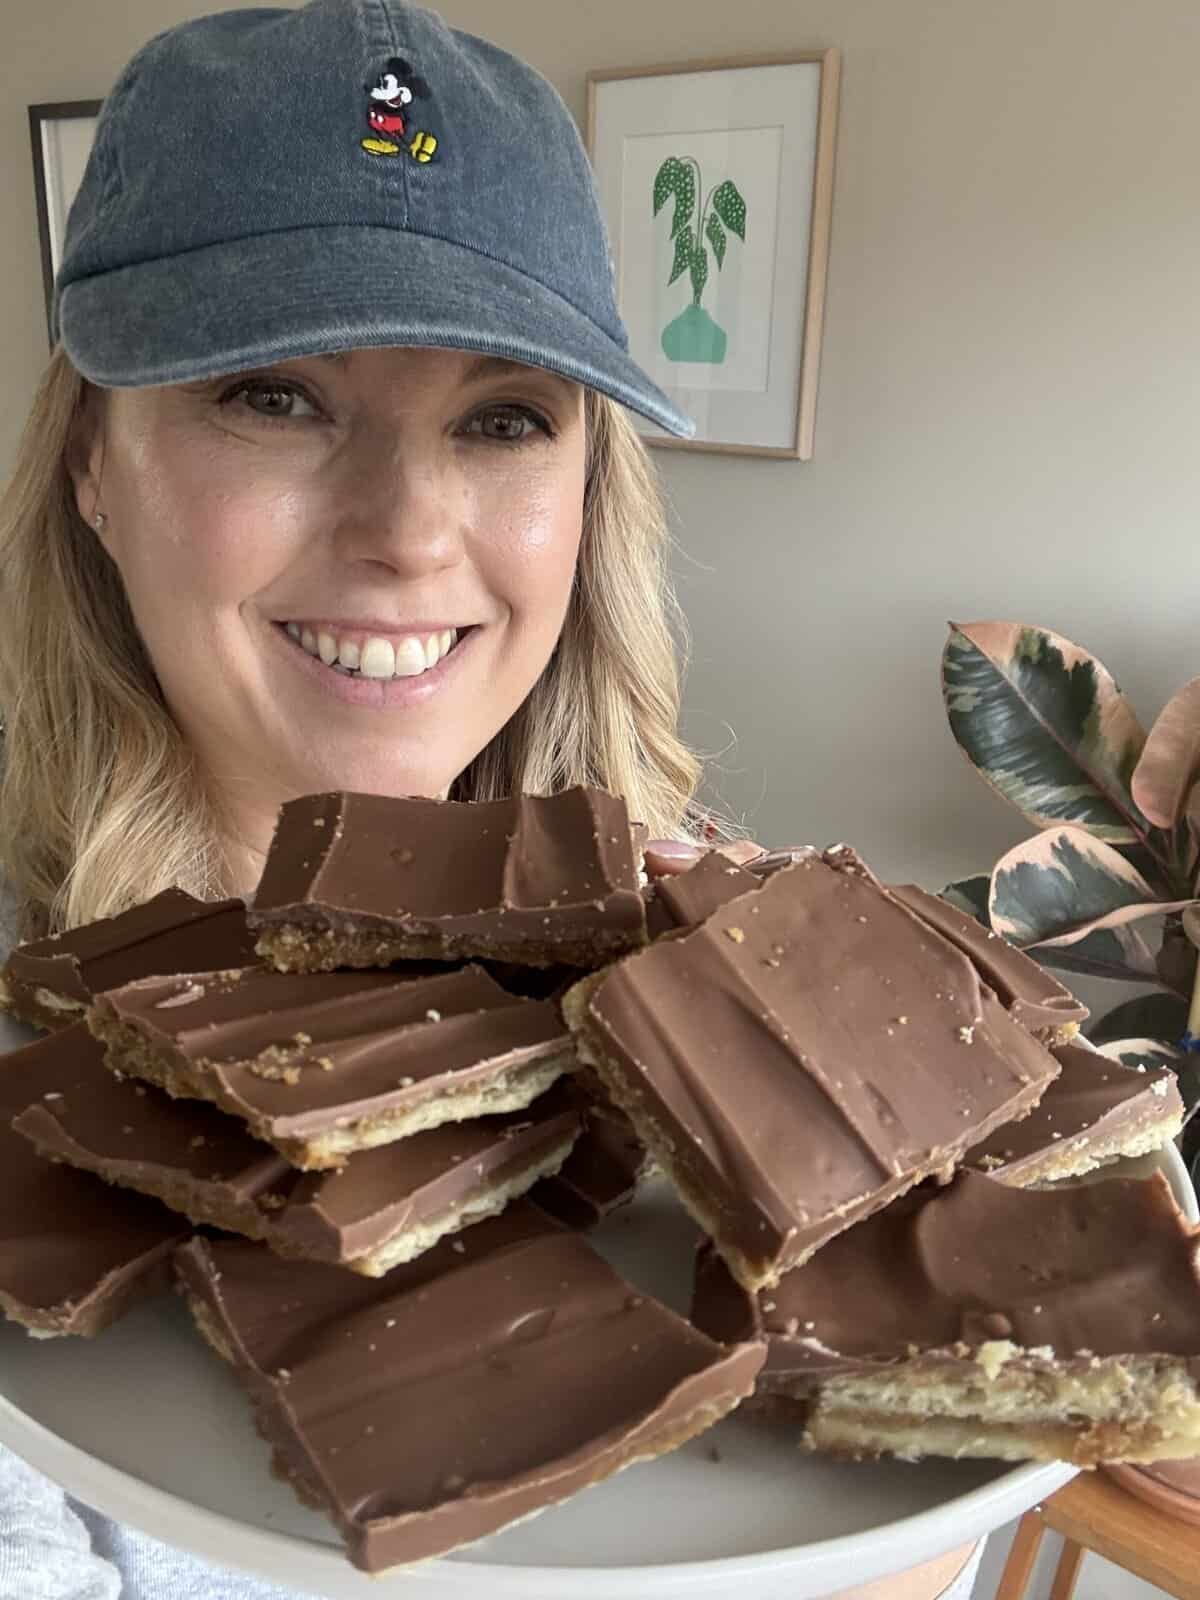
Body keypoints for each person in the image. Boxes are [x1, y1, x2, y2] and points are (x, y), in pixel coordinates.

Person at [0, 2, 984, 1595]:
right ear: (93, 473)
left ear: (590, 495)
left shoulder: (729, 971)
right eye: (273, 394)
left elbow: (902, 1547)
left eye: (503, 418)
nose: (406, 529)